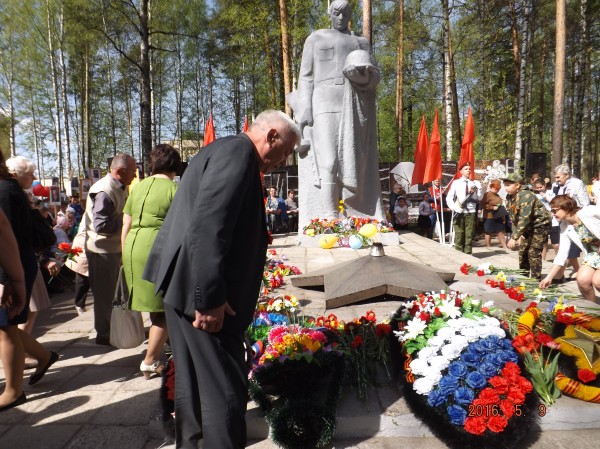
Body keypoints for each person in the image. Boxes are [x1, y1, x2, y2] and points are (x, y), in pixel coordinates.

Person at [143, 110, 299, 448]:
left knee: (194, 386)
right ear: (271, 135)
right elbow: (208, 228)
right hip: (205, 300)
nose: (282, 160)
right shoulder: (238, 155)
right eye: (285, 151)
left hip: (183, 288)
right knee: (223, 390)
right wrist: (209, 298)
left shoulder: (227, 151)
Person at [291, 0, 382, 222]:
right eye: (337, 13)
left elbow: (373, 79)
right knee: (330, 161)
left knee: (351, 159)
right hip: (323, 103)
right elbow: (306, 76)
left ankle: (352, 213)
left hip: (352, 106)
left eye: (346, 14)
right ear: (330, 13)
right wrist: (304, 110)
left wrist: (363, 76)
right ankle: (328, 216)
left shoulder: (361, 43)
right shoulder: (315, 38)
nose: (341, 18)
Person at [0, 152, 59, 411]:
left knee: (6, 328)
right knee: (7, 328)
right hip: (14, 266)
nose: (34, 178)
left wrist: (7, 279)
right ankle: (44, 356)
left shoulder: (4, 191)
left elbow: (6, 237)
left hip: (9, 268)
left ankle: (13, 391)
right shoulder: (9, 189)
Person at [121, 144, 181, 379]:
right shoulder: (174, 189)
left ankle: (161, 348)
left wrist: (124, 255)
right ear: (174, 166)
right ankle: (149, 360)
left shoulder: (137, 187)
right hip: (156, 249)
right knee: (167, 307)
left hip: (132, 247)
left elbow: (125, 224)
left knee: (154, 306)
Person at [84, 153, 137, 345]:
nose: (135, 174)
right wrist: (126, 223)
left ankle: (112, 330)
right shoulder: (105, 190)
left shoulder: (118, 187)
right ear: (120, 171)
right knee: (105, 295)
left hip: (111, 249)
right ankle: (105, 334)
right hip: (102, 251)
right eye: (132, 171)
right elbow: (101, 225)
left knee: (113, 294)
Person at [539, 195, 600, 303]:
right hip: (594, 254)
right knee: (582, 280)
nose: (552, 214)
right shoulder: (565, 225)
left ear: (566, 207)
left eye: (555, 210)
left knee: (598, 281)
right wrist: (549, 277)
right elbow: (562, 253)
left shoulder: (588, 211)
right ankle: (594, 312)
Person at [503, 173, 551, 280]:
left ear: (518, 185)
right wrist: (519, 233)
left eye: (508, 185)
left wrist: (514, 237)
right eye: (505, 185)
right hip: (527, 226)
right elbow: (514, 217)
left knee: (533, 252)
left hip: (540, 225)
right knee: (523, 251)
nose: (506, 188)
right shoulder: (510, 196)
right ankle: (523, 277)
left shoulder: (526, 195)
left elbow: (525, 217)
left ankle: (535, 280)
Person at [554, 164, 590, 278]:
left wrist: (575, 215)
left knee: (572, 246)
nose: (556, 180)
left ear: (566, 175)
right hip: (562, 218)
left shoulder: (577, 183)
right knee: (563, 245)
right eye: (555, 177)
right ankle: (572, 271)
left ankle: (561, 274)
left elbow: (585, 202)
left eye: (558, 177)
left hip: (575, 218)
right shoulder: (556, 185)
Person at [446, 162, 483, 254]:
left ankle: (468, 253)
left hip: (471, 211)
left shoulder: (474, 183)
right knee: (459, 233)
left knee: (469, 234)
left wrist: (480, 190)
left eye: (469, 169)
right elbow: (449, 197)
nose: (468, 170)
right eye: (466, 169)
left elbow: (479, 198)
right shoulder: (456, 183)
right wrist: (454, 208)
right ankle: (459, 252)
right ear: (461, 171)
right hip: (459, 210)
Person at [481, 179, 508, 251]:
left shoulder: (498, 195)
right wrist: (492, 207)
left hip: (497, 216)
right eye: (495, 188)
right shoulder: (487, 194)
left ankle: (505, 246)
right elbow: (483, 205)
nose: (496, 190)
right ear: (491, 186)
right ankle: (488, 246)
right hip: (489, 216)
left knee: (500, 231)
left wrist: (503, 217)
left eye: (498, 189)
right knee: (488, 231)